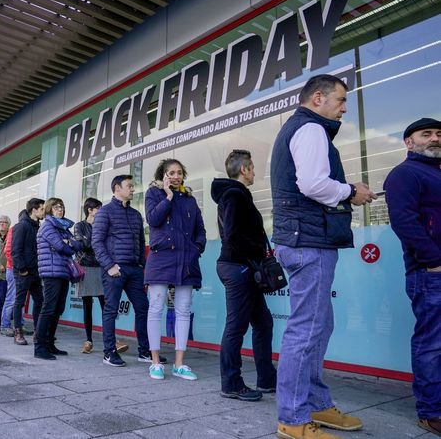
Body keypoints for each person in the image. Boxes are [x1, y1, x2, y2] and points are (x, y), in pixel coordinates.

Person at [270, 74, 377, 439]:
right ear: (318, 98)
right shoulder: (311, 128)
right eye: (341, 100)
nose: (344, 108)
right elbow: (313, 183)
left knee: (318, 326)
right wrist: (352, 191)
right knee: (306, 329)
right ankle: (293, 417)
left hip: (305, 239)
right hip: (309, 242)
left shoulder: (302, 128)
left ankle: (315, 403)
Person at [384, 117, 441, 437]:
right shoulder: (405, 174)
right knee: (432, 345)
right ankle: (431, 411)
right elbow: (404, 221)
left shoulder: (437, 173)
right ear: (409, 142)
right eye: (426, 134)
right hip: (430, 273)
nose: (434, 138)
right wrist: (434, 261)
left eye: (438, 134)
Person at [212, 150, 276, 400]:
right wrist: (260, 251)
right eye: (252, 168)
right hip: (238, 267)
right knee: (236, 326)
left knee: (263, 323)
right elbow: (233, 235)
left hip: (243, 266)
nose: (255, 173)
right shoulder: (234, 196)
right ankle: (231, 383)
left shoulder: (237, 195)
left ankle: (267, 379)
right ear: (244, 169)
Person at [144, 159, 206, 381]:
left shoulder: (190, 200)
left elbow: (200, 229)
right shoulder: (153, 194)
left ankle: (179, 364)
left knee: (183, 310)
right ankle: (155, 362)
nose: (176, 176)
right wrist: (168, 197)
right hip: (161, 259)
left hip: (186, 260)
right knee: (156, 309)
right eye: (171, 172)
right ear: (163, 175)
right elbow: (153, 219)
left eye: (179, 172)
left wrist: (196, 248)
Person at [92, 174, 155, 367]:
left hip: (134, 270)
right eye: (130, 186)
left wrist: (142, 266)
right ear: (117, 188)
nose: (133, 189)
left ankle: (145, 351)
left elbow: (141, 242)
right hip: (115, 269)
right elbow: (96, 242)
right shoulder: (105, 212)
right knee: (110, 310)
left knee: (143, 308)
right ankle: (109, 353)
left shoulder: (136, 215)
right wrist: (109, 266)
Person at [74, 198, 129, 355]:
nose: (101, 211)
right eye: (98, 209)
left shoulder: (103, 225)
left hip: (102, 266)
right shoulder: (80, 225)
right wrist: (96, 243)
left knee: (106, 304)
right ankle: (88, 340)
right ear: (90, 210)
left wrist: (94, 243)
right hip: (86, 267)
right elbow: (82, 244)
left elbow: (105, 243)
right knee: (87, 305)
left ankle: (112, 339)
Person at [34, 198, 83, 360]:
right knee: (48, 308)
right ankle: (39, 347)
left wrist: (68, 241)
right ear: (49, 210)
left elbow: (77, 245)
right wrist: (67, 243)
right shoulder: (48, 226)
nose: (60, 209)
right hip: (51, 273)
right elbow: (62, 247)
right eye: (55, 207)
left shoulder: (62, 227)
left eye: (61, 207)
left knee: (57, 309)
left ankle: (49, 343)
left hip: (63, 272)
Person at [11, 199, 46, 345]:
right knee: (19, 302)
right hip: (23, 272)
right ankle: (18, 332)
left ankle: (38, 332)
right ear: (34, 210)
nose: (44, 211)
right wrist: (22, 269)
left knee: (39, 301)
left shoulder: (37, 227)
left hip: (36, 272)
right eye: (42, 209)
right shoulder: (22, 226)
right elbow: (15, 251)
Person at [0, 225, 16, 337]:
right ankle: (5, 326)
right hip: (13, 268)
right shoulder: (15, 229)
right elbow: (8, 250)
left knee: (18, 300)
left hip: (17, 269)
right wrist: (16, 265)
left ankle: (19, 324)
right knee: (11, 298)